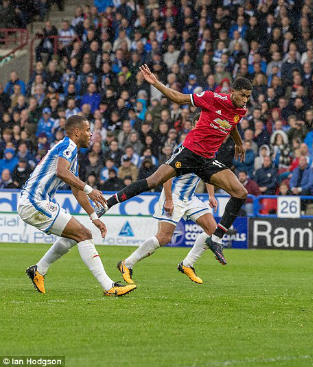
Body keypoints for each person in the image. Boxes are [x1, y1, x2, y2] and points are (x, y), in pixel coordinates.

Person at [96, 65, 253, 265]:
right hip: (189, 153)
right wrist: (156, 83)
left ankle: (216, 239)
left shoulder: (241, 109)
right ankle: (108, 204)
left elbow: (231, 123)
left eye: (248, 96)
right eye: (242, 95)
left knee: (241, 193)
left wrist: (238, 142)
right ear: (232, 92)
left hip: (207, 160)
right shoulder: (212, 98)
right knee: (153, 180)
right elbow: (178, 98)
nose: (245, 100)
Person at [19, 115, 135, 296]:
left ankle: (38, 270)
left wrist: (94, 217)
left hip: (38, 202)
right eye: (88, 130)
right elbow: (61, 172)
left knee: (75, 236)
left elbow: (76, 189)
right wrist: (90, 189)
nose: (91, 134)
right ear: (77, 132)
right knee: (84, 235)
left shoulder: (70, 151)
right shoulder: (68, 146)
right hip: (34, 202)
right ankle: (109, 287)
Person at [117, 174, 222, 284]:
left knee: (213, 231)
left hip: (190, 198)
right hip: (173, 196)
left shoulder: (207, 156)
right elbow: (167, 175)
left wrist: (211, 195)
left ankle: (187, 264)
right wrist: (168, 199)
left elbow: (208, 173)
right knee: (163, 237)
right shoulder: (182, 156)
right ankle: (127, 264)